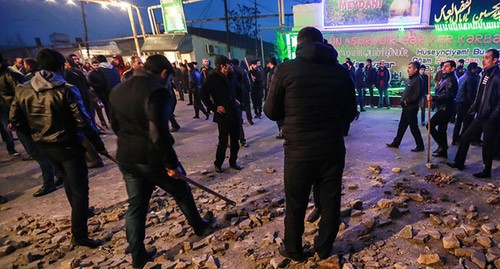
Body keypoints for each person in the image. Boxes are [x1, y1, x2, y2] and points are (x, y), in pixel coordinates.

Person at [109, 55, 213, 268]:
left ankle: (138, 255)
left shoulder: (118, 89)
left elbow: (114, 124)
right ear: (164, 74)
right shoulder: (158, 91)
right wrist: (171, 165)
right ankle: (199, 227)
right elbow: (159, 132)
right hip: (152, 158)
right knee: (181, 190)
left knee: (136, 206)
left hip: (127, 157)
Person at [265, 27, 357, 261]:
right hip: (332, 148)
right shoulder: (341, 72)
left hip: (298, 151)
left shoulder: (285, 70)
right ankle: (324, 248)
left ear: (299, 43)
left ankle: (294, 251)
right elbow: (350, 113)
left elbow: (270, 110)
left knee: (296, 203)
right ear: (323, 43)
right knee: (330, 199)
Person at [10, 48, 108, 247]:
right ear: (60, 67)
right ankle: (80, 235)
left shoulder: (24, 88)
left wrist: (36, 136)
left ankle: (80, 213)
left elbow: (15, 120)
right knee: (80, 189)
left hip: (45, 146)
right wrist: (99, 146)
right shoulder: (66, 89)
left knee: (67, 181)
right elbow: (84, 121)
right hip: (68, 146)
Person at [447, 49, 500, 178]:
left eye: (487, 57)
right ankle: (459, 162)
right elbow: (480, 94)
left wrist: (493, 116)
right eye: (484, 57)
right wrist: (473, 109)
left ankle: (486, 171)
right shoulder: (485, 74)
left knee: (487, 145)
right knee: (465, 137)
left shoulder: (497, 76)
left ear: (495, 60)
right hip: (480, 115)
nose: (484, 60)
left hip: (490, 117)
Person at [201, 55, 243, 173]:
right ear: (222, 66)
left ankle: (233, 162)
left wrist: (237, 99)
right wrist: (214, 108)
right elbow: (203, 94)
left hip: (234, 111)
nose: (230, 67)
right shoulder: (213, 78)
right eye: (228, 65)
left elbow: (237, 89)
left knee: (235, 140)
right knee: (223, 141)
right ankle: (218, 163)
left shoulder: (231, 75)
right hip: (223, 114)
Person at [386, 61, 425, 152]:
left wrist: (407, 100)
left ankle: (420, 146)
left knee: (413, 127)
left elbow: (417, 94)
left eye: (410, 67)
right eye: (408, 67)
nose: (408, 69)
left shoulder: (418, 79)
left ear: (416, 69)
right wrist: (403, 95)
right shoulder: (411, 79)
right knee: (402, 126)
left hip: (411, 108)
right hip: (407, 107)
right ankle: (396, 143)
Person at [429, 60, 457, 158]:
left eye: (446, 66)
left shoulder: (451, 79)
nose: (443, 68)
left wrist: (434, 97)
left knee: (430, 126)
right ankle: (443, 152)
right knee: (442, 130)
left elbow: (448, 95)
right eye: (443, 66)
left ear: (453, 68)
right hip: (443, 107)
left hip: (445, 108)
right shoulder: (446, 78)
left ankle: (443, 146)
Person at [452, 62, 479, 145]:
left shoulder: (464, 76)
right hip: (466, 103)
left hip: (459, 101)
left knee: (459, 121)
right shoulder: (471, 77)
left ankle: (455, 139)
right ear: (473, 69)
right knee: (467, 122)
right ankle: (461, 139)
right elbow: (470, 92)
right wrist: (472, 105)